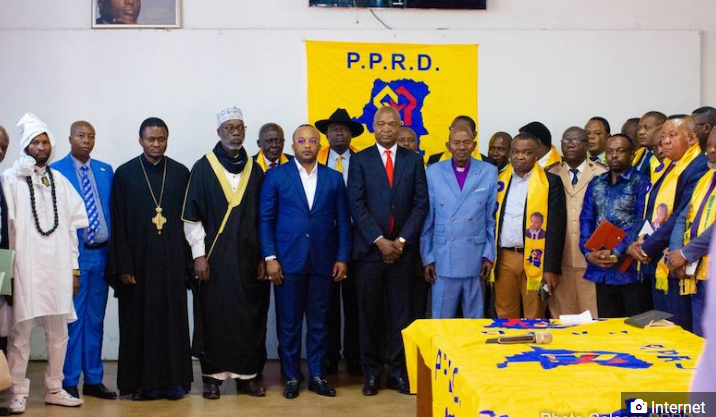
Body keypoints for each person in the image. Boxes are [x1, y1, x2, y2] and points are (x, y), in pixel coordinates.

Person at [2, 114, 88, 413]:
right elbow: (5, 232)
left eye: (45, 142)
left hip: (57, 271)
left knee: (59, 333)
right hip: (24, 270)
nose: (41, 147)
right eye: (35, 142)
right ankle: (17, 391)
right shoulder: (9, 180)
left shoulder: (60, 182)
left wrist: (74, 270)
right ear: (25, 146)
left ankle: (54, 387)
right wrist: (6, 277)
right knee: (20, 334)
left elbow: (73, 231)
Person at [182, 107, 270, 400]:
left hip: (248, 260)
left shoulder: (255, 169)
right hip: (214, 259)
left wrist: (263, 256)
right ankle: (212, 378)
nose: (235, 133)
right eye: (229, 128)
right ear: (219, 132)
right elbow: (192, 217)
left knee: (249, 316)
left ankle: (248, 377)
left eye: (239, 128)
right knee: (214, 316)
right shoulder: (203, 167)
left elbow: (263, 217)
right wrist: (198, 255)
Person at [260, 124, 351, 399]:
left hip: (324, 262)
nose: (307, 145)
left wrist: (342, 257)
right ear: (293, 146)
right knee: (289, 324)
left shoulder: (334, 178)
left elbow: (343, 222)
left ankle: (317, 375)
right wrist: (270, 258)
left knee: (320, 324)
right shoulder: (276, 176)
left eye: (312, 141)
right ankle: (291, 376)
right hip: (287, 262)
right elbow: (265, 220)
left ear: (319, 145)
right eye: (301, 141)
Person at [106, 117, 193, 400]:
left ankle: (174, 383)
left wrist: (190, 263)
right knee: (138, 325)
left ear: (167, 139)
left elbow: (191, 222)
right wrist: (123, 265)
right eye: (150, 139)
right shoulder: (125, 174)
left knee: (172, 324)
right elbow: (118, 222)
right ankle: (140, 385)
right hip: (137, 266)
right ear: (140, 140)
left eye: (161, 139)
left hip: (172, 263)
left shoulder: (180, 173)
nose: (156, 144)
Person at [347, 106, 428, 395]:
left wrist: (401, 241)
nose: (386, 129)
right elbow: (356, 204)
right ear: (373, 126)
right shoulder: (360, 160)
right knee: (369, 315)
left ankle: (398, 372)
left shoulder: (414, 160)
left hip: (403, 254)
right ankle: (371, 373)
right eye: (380, 124)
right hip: (370, 253)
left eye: (392, 124)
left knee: (400, 315)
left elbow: (421, 204)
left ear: (400, 125)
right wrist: (380, 240)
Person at [51, 121, 116, 400]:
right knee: (73, 320)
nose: (86, 140)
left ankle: (93, 379)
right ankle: (68, 379)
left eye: (91, 136)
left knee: (95, 319)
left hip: (102, 255)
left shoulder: (105, 170)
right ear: (70, 139)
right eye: (81, 135)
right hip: (75, 256)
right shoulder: (56, 171)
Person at [627, 115, 708, 331]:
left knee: (678, 329)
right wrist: (637, 241)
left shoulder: (698, 167)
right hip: (656, 257)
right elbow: (651, 209)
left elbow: (680, 215)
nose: (666, 142)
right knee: (663, 329)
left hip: (676, 260)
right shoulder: (669, 167)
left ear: (692, 139)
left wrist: (647, 247)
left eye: (672, 136)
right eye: (663, 137)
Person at [421, 125, 497, 318]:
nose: (461, 147)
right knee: (441, 320)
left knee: (475, 320)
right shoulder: (433, 172)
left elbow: (490, 219)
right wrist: (427, 257)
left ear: (474, 145)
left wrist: (489, 255)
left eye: (466, 142)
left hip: (475, 258)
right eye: (456, 143)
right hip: (443, 257)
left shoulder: (488, 171)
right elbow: (428, 219)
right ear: (448, 146)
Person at [493, 132, 566, 319]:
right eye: (515, 152)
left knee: (535, 314)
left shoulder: (550, 182)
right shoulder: (498, 180)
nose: (520, 156)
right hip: (505, 258)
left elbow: (556, 229)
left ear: (536, 154)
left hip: (536, 259)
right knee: (505, 314)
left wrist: (551, 268)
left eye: (527, 152)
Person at [580, 135, 650, 318]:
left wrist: (618, 251)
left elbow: (641, 221)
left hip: (630, 269)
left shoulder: (641, 182)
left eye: (620, 151)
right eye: (609, 151)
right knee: (608, 325)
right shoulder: (596, 182)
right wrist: (587, 252)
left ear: (632, 154)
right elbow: (586, 218)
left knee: (635, 324)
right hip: (601, 267)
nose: (614, 156)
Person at [315, 109, 361, 376]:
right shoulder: (316, 160)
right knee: (327, 303)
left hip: (357, 239)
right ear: (326, 134)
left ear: (351, 133)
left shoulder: (363, 159)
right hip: (325, 240)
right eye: (334, 129)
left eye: (344, 129)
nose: (339, 133)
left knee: (355, 302)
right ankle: (329, 357)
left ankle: (354, 357)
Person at [546, 127, 606, 318]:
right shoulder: (551, 174)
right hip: (560, 257)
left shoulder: (601, 173)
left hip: (591, 257)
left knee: (592, 315)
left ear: (587, 145)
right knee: (562, 317)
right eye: (566, 141)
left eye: (575, 141)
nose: (570, 145)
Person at [666, 128, 716, 336]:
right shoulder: (706, 177)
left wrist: (685, 254)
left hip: (709, 271)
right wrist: (676, 254)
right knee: (698, 340)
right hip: (694, 273)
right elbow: (682, 218)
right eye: (709, 146)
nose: (711, 151)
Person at [426, 116, 495, 166]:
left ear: (474, 134)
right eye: (455, 130)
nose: (459, 134)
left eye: (465, 131)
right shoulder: (434, 161)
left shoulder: (488, 164)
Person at [633, 111, 667, 178]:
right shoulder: (636, 155)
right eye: (639, 128)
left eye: (647, 128)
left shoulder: (666, 155)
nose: (641, 132)